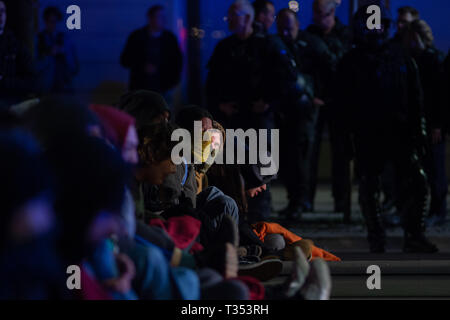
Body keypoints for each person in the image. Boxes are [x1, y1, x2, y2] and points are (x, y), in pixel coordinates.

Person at [336, 5, 438, 254]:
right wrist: (345, 139)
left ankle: (414, 234)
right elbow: (341, 105)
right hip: (367, 134)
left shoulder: (401, 56)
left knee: (417, 181)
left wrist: (420, 130)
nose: (376, 27)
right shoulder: (351, 61)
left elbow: (416, 98)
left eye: (380, 22)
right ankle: (376, 237)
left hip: (400, 132)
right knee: (370, 187)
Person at [267, 9, 316, 220]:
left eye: (290, 25)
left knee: (299, 159)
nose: (286, 30)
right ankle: (294, 200)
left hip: (302, 111)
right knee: (287, 159)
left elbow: (323, 69)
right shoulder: (276, 46)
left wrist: (317, 94)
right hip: (283, 110)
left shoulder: (309, 45)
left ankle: (299, 201)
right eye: (282, 25)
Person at [306, 0, 353, 220]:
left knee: (341, 154)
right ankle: (306, 200)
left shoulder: (345, 35)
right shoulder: (310, 35)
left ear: (332, 13)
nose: (318, 17)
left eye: (322, 13)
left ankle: (341, 201)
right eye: (316, 13)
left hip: (340, 102)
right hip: (316, 100)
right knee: (310, 152)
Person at [403, 20, 448, 226]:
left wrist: (438, 124)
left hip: (432, 123)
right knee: (425, 167)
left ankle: (438, 209)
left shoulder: (433, 60)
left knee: (435, 168)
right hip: (420, 122)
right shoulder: (416, 60)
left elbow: (439, 96)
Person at [206, 0, 271, 130]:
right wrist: (220, 105)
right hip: (231, 116)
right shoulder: (224, 47)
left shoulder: (265, 45)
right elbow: (212, 80)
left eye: (233, 15)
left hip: (259, 117)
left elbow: (277, 77)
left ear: (247, 18)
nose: (229, 19)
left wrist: (268, 102)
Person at [120, 5, 183, 103]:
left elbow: (177, 61)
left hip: (164, 87)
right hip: (140, 88)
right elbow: (125, 60)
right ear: (150, 18)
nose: (163, 20)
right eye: (160, 16)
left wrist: (173, 81)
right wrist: (141, 66)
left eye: (163, 17)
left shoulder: (169, 39)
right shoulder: (137, 37)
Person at [36, 6, 79, 94]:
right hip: (45, 87)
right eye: (50, 21)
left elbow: (74, 66)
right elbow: (35, 64)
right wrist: (48, 54)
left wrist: (62, 52)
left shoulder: (65, 39)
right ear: (45, 22)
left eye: (55, 22)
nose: (52, 25)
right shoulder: (39, 39)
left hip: (64, 86)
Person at [0, 0, 35, 109]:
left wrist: (4, 81)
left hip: (8, 105)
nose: (0, 15)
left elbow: (33, 81)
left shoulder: (15, 45)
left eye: (2, 11)